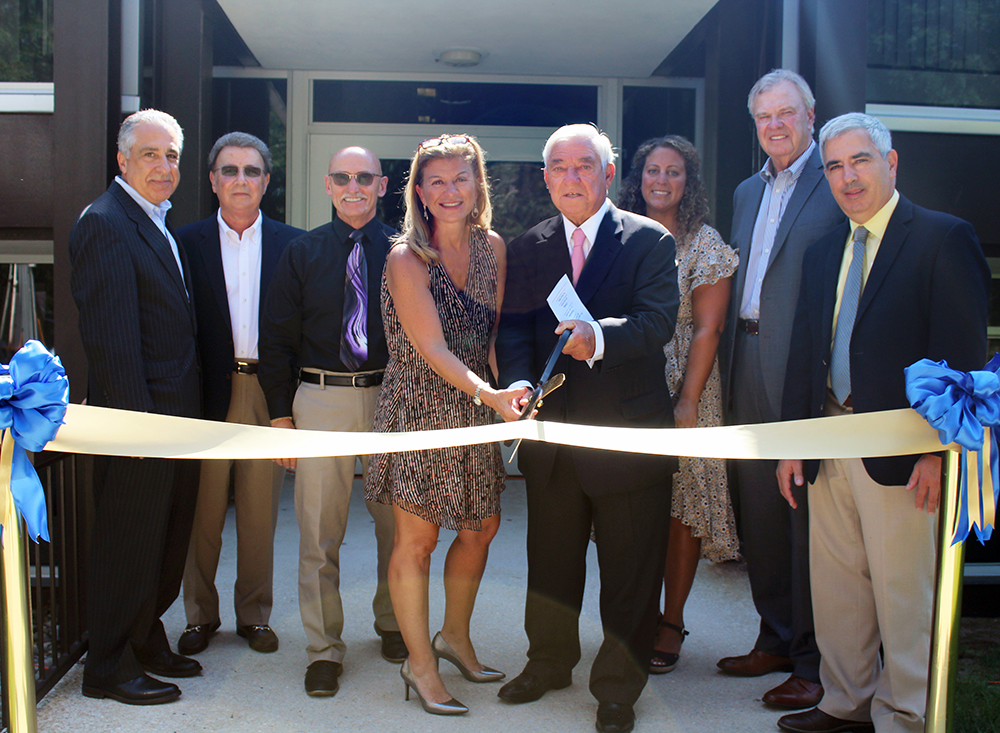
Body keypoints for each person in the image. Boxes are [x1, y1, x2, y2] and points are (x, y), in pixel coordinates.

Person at [776, 113, 989, 733]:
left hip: (906, 453)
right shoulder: (823, 250)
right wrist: (794, 445)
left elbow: (963, 360)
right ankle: (847, 704)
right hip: (830, 439)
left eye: (860, 160)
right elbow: (805, 352)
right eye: (835, 166)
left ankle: (906, 715)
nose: (847, 177)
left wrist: (938, 453)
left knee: (904, 595)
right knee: (839, 589)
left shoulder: (943, 239)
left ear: (890, 164)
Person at [495, 124, 679, 733]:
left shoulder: (648, 240)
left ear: (607, 174)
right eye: (559, 167)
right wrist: (520, 381)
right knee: (550, 562)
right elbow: (515, 330)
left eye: (584, 166)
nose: (571, 177)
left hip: (626, 438)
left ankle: (619, 687)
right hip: (552, 440)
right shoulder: (529, 246)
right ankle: (548, 662)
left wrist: (598, 336)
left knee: (629, 571)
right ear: (544, 177)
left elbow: (658, 323)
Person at [365, 134, 528, 716]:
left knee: (481, 528)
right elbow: (431, 346)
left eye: (460, 178)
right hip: (418, 409)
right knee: (419, 541)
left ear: (478, 184)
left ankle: (454, 637)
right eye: (435, 180)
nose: (449, 190)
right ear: (418, 191)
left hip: (477, 408)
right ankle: (420, 664)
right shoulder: (405, 256)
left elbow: (494, 337)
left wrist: (514, 391)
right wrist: (490, 393)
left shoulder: (493, 250)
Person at [257, 146, 405, 698]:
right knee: (320, 533)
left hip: (392, 396)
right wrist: (279, 416)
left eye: (364, 177)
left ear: (381, 184)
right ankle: (323, 649)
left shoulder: (404, 250)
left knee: (397, 525)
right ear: (327, 184)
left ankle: (393, 624)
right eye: (342, 177)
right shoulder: (301, 253)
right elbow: (275, 339)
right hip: (321, 398)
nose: (353, 187)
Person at [718, 69, 844, 710]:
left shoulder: (837, 180)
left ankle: (814, 660)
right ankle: (773, 635)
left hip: (803, 366)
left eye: (786, 113)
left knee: (804, 518)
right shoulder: (746, 191)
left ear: (811, 113)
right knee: (759, 513)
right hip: (747, 357)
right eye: (764, 116)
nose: (775, 126)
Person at [69, 109, 202, 705]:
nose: (164, 166)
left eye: (172, 155)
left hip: (176, 421)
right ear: (122, 160)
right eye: (151, 154)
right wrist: (139, 434)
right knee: (129, 542)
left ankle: (147, 639)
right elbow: (113, 341)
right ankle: (108, 667)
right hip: (139, 426)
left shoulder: (156, 222)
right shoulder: (105, 223)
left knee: (165, 540)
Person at [176, 132, 304, 656]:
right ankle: (200, 616)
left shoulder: (293, 244)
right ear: (212, 180)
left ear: (267, 181)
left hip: (267, 390)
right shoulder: (183, 242)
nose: (241, 181)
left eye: (252, 171)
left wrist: (292, 406)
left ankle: (254, 615)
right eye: (230, 171)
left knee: (259, 511)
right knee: (202, 511)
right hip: (207, 389)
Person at [617, 135, 739, 674]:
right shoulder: (618, 230)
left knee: (682, 511)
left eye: (674, 172)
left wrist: (687, 399)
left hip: (688, 383)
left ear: (688, 183)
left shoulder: (705, 242)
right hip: (627, 380)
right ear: (638, 177)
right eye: (652, 171)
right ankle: (633, 616)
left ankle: (670, 620)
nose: (661, 181)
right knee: (630, 507)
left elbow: (709, 329)